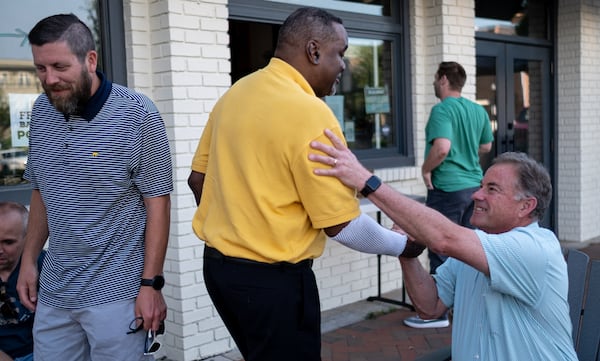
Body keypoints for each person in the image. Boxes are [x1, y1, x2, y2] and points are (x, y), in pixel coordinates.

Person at [188, 7, 417, 361]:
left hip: (220, 272)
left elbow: (197, 178)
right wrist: (404, 246)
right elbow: (342, 226)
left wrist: (238, 221)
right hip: (272, 282)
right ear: (313, 51)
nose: (343, 65)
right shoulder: (310, 112)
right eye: (339, 53)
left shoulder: (235, 93)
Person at [309, 130, 578, 360]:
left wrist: (366, 182)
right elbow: (430, 307)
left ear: (526, 206)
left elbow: (443, 238)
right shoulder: (477, 249)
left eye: (492, 189)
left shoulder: (535, 248)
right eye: (481, 185)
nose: (476, 194)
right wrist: (407, 251)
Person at [16, 14, 172, 361]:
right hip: (55, 291)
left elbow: (157, 202)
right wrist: (28, 261)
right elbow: (42, 190)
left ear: (90, 59)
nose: (49, 79)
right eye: (40, 68)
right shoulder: (42, 111)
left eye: (59, 66)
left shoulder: (138, 114)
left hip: (116, 294)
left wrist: (151, 285)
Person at [405, 61, 493, 329]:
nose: (434, 83)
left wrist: (425, 169)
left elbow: (442, 148)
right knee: (468, 249)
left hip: (448, 190)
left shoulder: (442, 110)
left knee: (440, 247)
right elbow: (486, 145)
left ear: (443, 80)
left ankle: (437, 313)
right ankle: (464, 306)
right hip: (473, 188)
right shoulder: (478, 110)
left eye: (435, 78)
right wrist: (467, 160)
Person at [0, 202, 45, 361]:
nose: (0, 250)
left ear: (26, 239)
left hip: (41, 350)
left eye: (8, 242)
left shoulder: (43, 265)